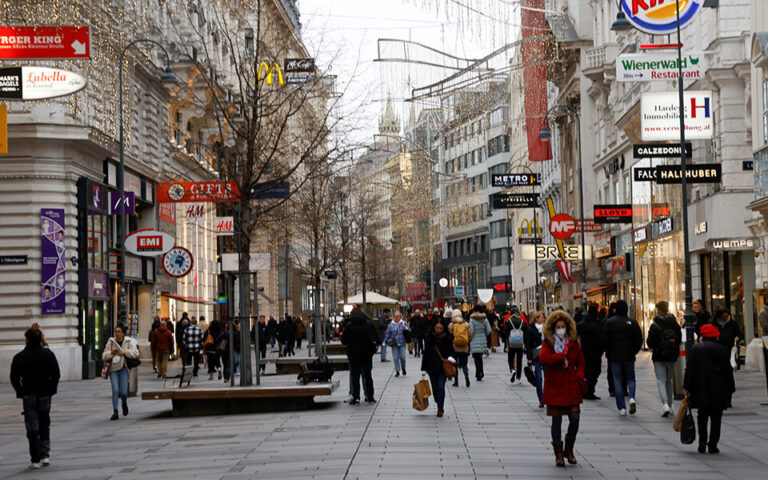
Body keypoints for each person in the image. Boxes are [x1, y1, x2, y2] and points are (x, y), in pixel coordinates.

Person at [539, 311, 585, 467]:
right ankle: (558, 453)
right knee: (556, 419)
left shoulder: (573, 342)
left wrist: (579, 375)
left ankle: (569, 448)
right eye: (558, 327)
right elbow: (543, 358)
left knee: (575, 417)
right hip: (555, 386)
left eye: (563, 326)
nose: (561, 329)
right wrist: (561, 357)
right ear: (553, 328)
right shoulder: (548, 343)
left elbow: (581, 361)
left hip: (571, 386)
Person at [10, 326, 60, 469]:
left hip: (28, 395)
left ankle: (35, 458)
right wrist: (51, 390)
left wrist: (20, 391)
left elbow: (14, 377)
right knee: (44, 423)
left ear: (27, 340)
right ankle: (45, 454)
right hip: (44, 394)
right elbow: (56, 374)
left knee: (32, 427)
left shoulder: (19, 357)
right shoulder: (48, 355)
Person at [684, 324, 736, 454]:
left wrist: (687, 387)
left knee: (702, 416)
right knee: (716, 417)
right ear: (715, 336)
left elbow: (689, 370)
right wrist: (730, 387)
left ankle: (702, 443)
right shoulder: (721, 349)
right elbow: (727, 370)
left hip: (700, 386)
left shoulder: (696, 348)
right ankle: (713, 444)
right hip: (717, 387)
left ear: (702, 335)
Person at [602, 300, 642, 416]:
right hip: (629, 355)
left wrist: (607, 350)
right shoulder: (632, 322)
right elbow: (639, 338)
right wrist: (634, 351)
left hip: (614, 356)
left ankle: (622, 408)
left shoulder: (610, 322)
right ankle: (631, 397)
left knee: (617, 380)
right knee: (631, 379)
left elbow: (604, 339)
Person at [646, 300, 682, 417]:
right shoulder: (674, 323)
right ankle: (670, 406)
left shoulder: (655, 325)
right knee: (669, 381)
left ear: (658, 310)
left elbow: (650, 341)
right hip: (671, 355)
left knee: (661, 380)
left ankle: (665, 404)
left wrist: (653, 347)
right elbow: (679, 338)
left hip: (659, 355)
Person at [102, 324, 139, 420]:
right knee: (115, 390)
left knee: (123, 392)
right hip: (113, 370)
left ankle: (124, 403)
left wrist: (124, 352)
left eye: (119, 331)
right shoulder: (111, 342)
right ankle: (115, 411)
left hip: (123, 369)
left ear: (123, 333)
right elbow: (104, 356)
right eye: (116, 331)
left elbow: (136, 353)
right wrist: (111, 353)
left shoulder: (128, 341)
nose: (117, 333)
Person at [342, 307, 378, 404]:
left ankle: (356, 396)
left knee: (355, 377)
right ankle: (370, 396)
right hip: (367, 355)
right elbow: (375, 338)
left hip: (354, 355)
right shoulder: (369, 324)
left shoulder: (349, 326)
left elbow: (344, 340)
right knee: (368, 376)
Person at [421, 321, 454, 417]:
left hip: (443, 367)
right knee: (435, 388)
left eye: (440, 328)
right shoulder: (429, 338)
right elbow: (426, 353)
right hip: (431, 367)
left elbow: (452, 350)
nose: (439, 330)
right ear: (434, 328)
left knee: (440, 387)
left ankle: (440, 407)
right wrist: (424, 368)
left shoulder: (447, 338)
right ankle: (438, 400)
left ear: (443, 329)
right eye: (437, 328)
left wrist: (451, 358)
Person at [576, 304, 605, 400]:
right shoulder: (596, 324)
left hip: (584, 352)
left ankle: (584, 390)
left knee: (585, 372)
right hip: (594, 353)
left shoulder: (582, 324)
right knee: (594, 372)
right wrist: (601, 350)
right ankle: (590, 391)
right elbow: (600, 340)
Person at [525, 311, 546, 407]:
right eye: (541, 317)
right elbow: (528, 344)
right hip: (536, 356)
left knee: (548, 377)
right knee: (539, 378)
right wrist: (529, 358)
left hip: (546, 356)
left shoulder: (546, 328)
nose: (543, 319)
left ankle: (547, 396)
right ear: (536, 319)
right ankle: (541, 399)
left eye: (543, 317)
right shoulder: (531, 329)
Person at [502, 306, 527, 384]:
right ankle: (518, 377)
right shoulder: (522, 321)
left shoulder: (508, 321)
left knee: (510, 358)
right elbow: (526, 332)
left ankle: (512, 369)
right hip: (520, 343)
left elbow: (505, 332)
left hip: (511, 342)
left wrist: (506, 338)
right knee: (519, 360)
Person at [449, 309, 472, 387]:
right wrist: (467, 341)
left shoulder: (452, 324)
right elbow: (470, 335)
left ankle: (456, 381)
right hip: (464, 348)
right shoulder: (466, 324)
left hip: (455, 347)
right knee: (464, 364)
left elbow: (450, 333)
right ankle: (466, 377)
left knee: (455, 364)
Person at [383, 311, 410, 377]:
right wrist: (384, 342)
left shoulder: (404, 323)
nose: (397, 317)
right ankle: (397, 371)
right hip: (394, 344)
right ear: (393, 317)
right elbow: (387, 334)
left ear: (400, 316)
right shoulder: (390, 325)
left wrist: (405, 328)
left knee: (403, 357)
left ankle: (403, 368)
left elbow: (410, 330)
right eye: (396, 316)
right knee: (395, 358)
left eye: (398, 316)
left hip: (402, 343)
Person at [469, 308, 491, 382]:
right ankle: (480, 372)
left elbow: (471, 331)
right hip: (483, 339)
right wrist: (483, 333)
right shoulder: (484, 319)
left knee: (476, 358)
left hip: (474, 340)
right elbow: (489, 331)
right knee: (480, 357)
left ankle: (479, 373)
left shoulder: (472, 319)